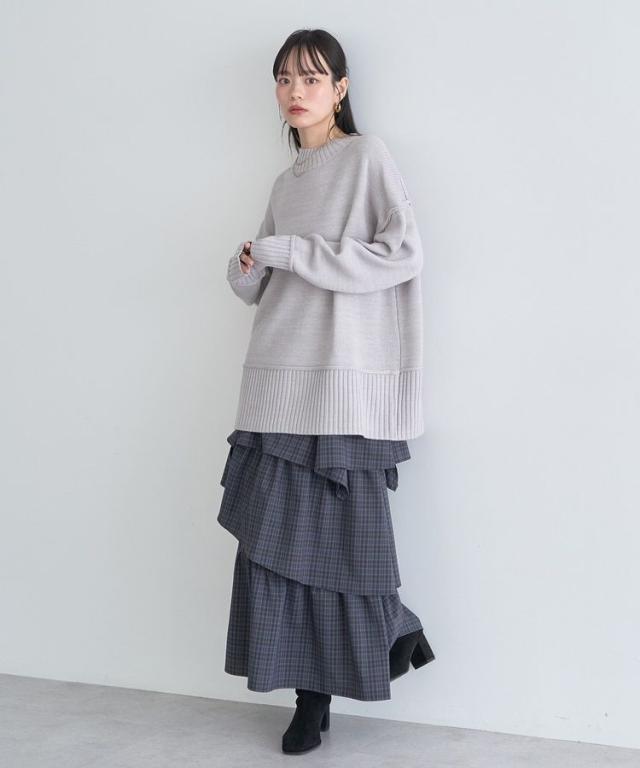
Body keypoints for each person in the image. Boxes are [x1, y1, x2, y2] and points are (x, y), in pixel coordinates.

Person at [217, 28, 435, 755]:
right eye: (284, 78)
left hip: (341, 384)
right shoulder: (285, 184)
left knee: (343, 544)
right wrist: (248, 264)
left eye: (311, 78)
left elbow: (402, 254)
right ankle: (377, 644)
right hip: (276, 377)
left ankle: (326, 689)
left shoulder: (366, 158)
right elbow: (260, 285)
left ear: (340, 89)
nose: (295, 91)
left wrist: (289, 251)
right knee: (275, 543)